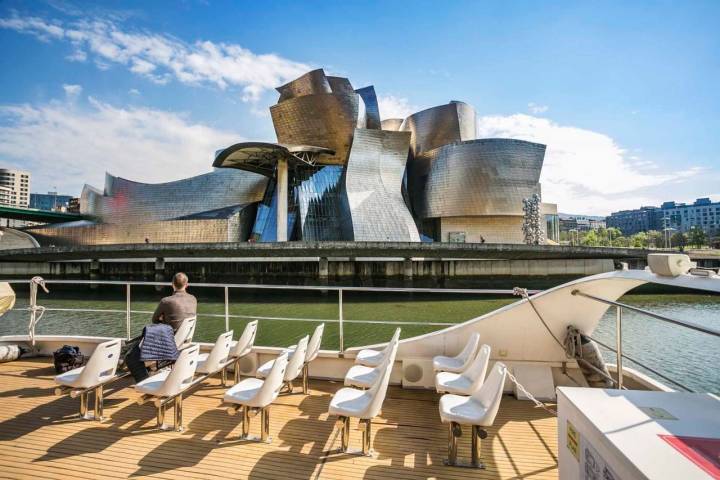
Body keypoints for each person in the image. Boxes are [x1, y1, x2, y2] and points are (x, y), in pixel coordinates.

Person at [125, 272, 197, 382]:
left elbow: (154, 319)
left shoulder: (166, 301)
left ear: (172, 284)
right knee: (137, 344)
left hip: (168, 340)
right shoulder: (193, 299)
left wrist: (163, 319)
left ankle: (144, 382)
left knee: (131, 357)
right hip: (182, 339)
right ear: (187, 285)